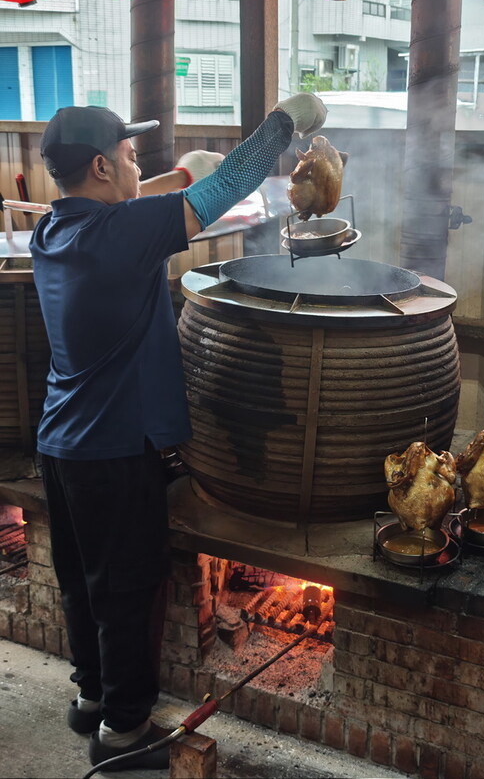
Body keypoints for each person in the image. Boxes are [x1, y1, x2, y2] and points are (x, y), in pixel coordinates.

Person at [29, 94, 327, 770]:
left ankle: (92, 697)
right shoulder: (120, 235)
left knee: (83, 583)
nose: (139, 166)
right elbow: (231, 183)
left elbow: (150, 196)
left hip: (60, 444)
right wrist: (285, 121)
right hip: (112, 450)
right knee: (128, 592)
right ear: (101, 167)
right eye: (131, 156)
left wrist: (176, 177)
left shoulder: (56, 228)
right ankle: (123, 733)